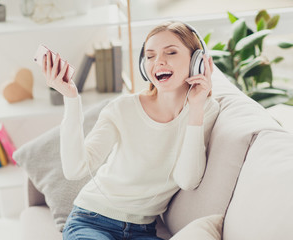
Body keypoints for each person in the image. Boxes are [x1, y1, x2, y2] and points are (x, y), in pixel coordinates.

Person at [42, 21, 220, 240]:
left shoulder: (205, 109)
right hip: (91, 220)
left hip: (142, 230)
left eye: (171, 52)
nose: (159, 62)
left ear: (198, 62)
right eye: (150, 55)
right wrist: (71, 99)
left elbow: (187, 180)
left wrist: (195, 109)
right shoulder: (122, 108)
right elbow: (75, 169)